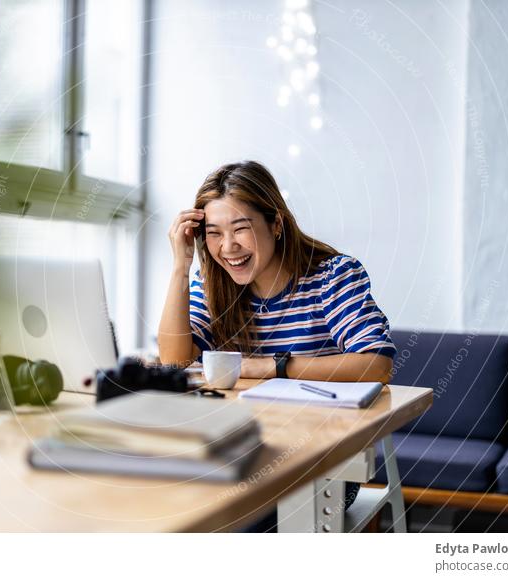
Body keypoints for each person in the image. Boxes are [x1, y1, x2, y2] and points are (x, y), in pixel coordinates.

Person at [158, 160, 397, 530]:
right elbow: (174, 362)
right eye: (214, 233)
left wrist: (273, 366)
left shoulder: (332, 277)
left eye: (241, 229)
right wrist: (179, 266)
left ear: (276, 224)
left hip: (326, 465)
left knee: (230, 520)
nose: (228, 247)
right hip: (240, 451)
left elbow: (376, 364)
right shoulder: (211, 285)